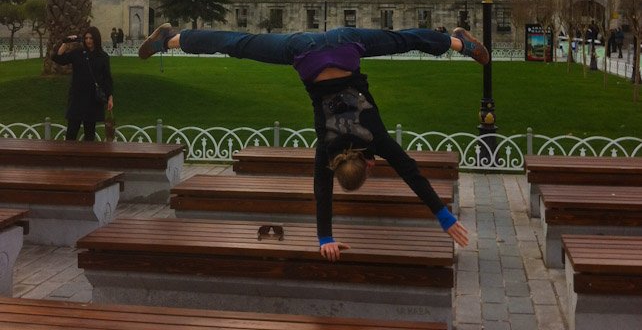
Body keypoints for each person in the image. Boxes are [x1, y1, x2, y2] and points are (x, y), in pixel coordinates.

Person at [139, 24, 489, 259]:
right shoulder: (327, 148)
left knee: (403, 40)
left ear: (369, 163)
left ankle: (460, 44)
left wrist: (444, 217)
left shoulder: (375, 139)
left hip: (346, 46)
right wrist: (324, 240)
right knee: (237, 44)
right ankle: (170, 40)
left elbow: (411, 173)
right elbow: (321, 191)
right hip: (303, 52)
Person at [51, 27, 114, 141]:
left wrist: (110, 97)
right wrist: (66, 42)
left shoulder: (103, 57)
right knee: (71, 132)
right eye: (86, 38)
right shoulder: (78, 53)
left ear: (96, 39)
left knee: (89, 134)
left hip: (92, 100)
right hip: (77, 98)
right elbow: (58, 58)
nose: (88, 41)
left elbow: (107, 79)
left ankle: (87, 158)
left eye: (91, 38)